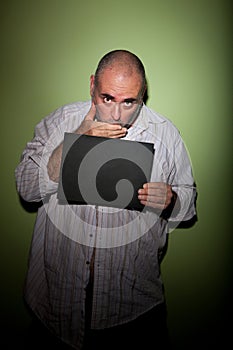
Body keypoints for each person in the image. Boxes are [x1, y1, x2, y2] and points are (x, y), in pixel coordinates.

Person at [15, 49, 197, 349]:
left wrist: (171, 198)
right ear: (91, 86)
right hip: (55, 302)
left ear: (143, 94)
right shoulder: (61, 121)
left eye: (129, 102)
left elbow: (188, 204)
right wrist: (73, 140)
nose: (116, 114)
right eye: (107, 98)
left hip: (131, 308)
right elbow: (26, 189)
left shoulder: (165, 134)